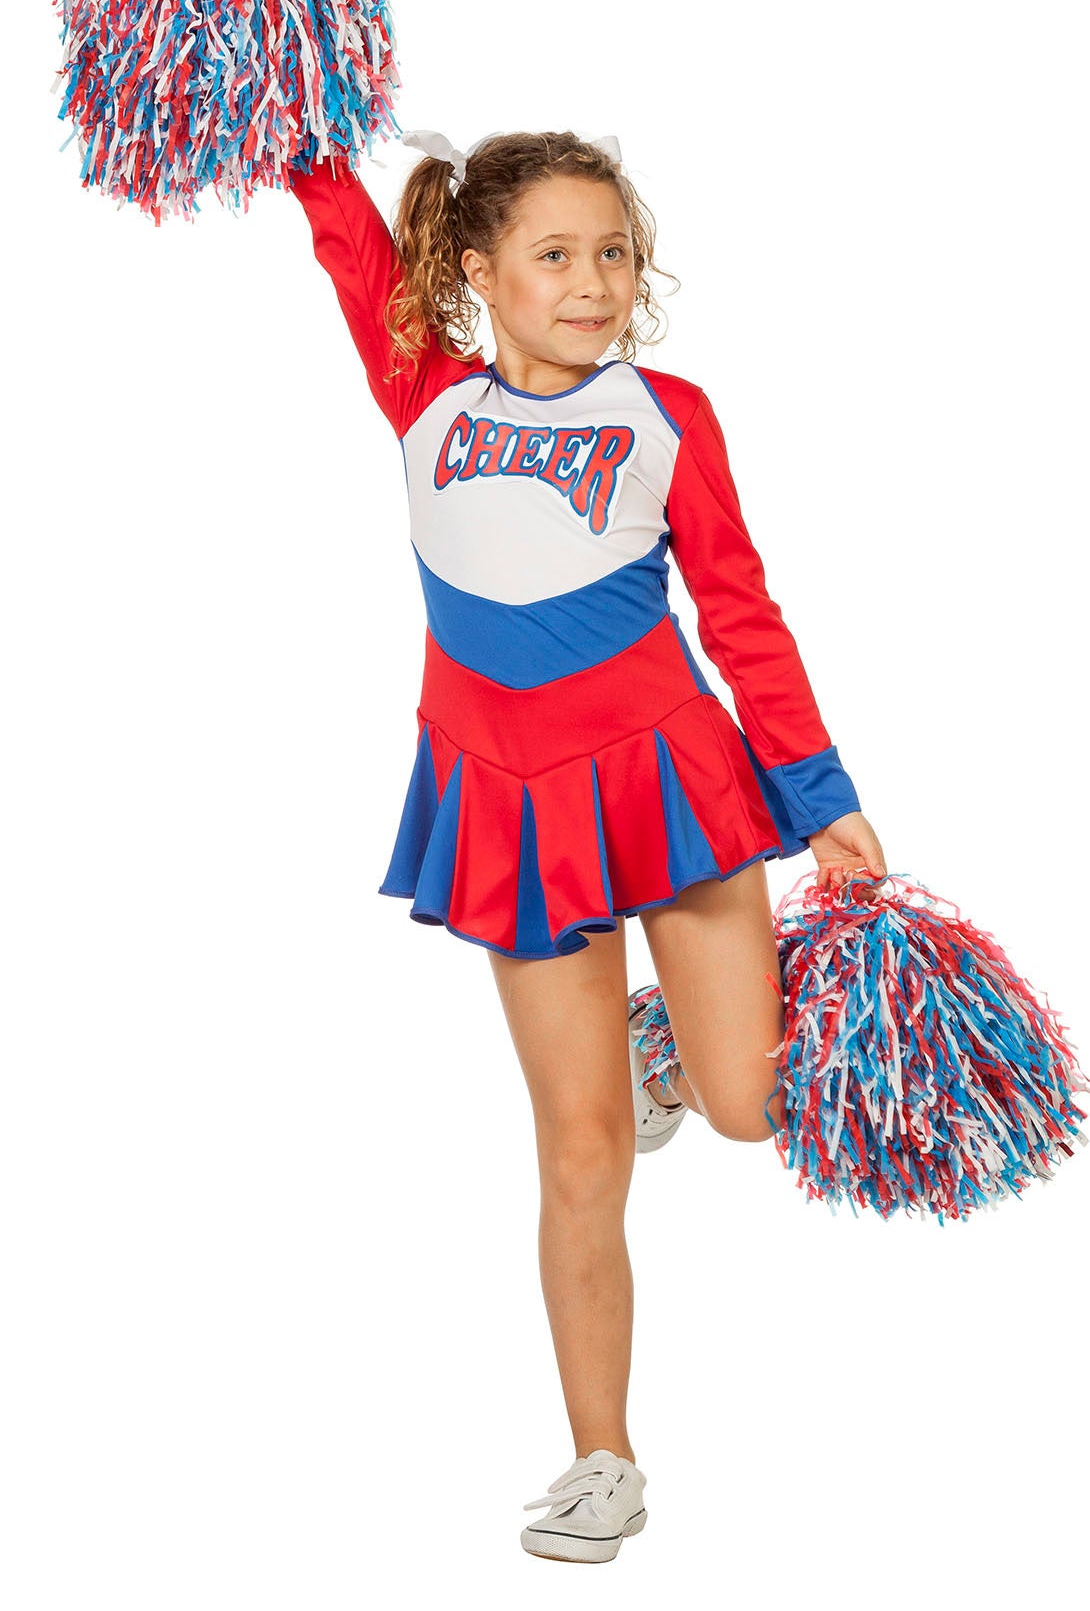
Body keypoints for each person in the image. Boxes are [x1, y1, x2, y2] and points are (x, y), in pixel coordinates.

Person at [286, 128, 887, 1563]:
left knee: (752, 1107)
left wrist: (822, 799)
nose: (593, 281)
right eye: (554, 255)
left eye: (613, 252)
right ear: (477, 270)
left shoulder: (668, 413)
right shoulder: (423, 392)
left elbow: (740, 611)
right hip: (512, 807)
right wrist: (300, 141)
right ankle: (602, 1458)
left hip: (672, 785)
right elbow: (352, 252)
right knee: (579, 1150)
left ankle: (668, 1046)